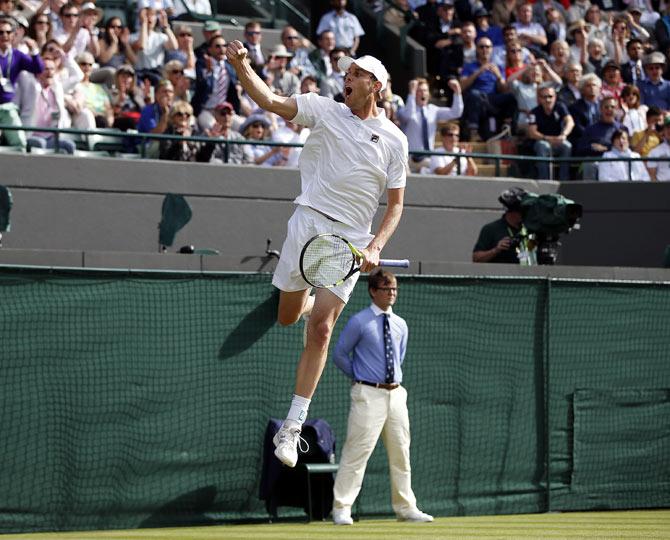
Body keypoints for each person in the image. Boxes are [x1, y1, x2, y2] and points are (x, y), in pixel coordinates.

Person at [226, 41, 408, 468]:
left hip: (351, 239)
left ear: (375, 85)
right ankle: (301, 300)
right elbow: (269, 99)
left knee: (322, 331)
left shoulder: (395, 141)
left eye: (356, 74)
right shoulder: (322, 109)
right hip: (308, 222)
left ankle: (292, 426)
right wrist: (241, 66)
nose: (347, 77)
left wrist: (376, 245)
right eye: (345, 73)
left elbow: (396, 205)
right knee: (288, 316)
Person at [330, 269, 433, 526]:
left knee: (401, 453)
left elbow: (399, 356)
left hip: (396, 395)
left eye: (395, 289)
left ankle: (406, 508)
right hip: (367, 394)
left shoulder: (401, 325)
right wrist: (360, 374)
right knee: (356, 452)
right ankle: (341, 508)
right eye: (387, 289)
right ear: (373, 291)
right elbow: (340, 354)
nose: (392, 294)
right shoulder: (359, 321)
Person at [397, 76, 463, 170]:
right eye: (419, 91)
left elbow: (456, 112)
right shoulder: (404, 110)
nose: (422, 93)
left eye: (425, 90)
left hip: (427, 158)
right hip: (408, 159)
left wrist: (457, 92)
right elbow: (408, 116)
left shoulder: (433, 110)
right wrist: (411, 93)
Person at [0, 16, 43, 148]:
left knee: (20, 144)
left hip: (7, 107)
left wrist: (34, 51)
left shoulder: (17, 55)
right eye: (0, 32)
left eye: (8, 32)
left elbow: (38, 68)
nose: (4, 36)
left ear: (13, 35)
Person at [192, 35, 239, 131]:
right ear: (209, 49)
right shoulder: (202, 63)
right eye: (218, 46)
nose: (222, 49)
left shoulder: (230, 66)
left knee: (242, 126)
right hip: (207, 110)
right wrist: (208, 72)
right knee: (214, 128)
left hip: (225, 111)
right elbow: (200, 87)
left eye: (224, 45)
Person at [527, 84, 574, 180]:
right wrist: (547, 138)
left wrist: (564, 135)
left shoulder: (560, 107)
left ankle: (564, 180)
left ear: (555, 97)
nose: (547, 100)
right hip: (542, 140)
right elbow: (532, 133)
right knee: (543, 146)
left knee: (567, 146)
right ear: (539, 99)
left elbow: (570, 122)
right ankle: (544, 180)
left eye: (550, 96)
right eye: (544, 97)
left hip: (558, 140)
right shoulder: (534, 112)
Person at [472, 187, 529, 264]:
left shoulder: (529, 229)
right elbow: (476, 258)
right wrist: (496, 250)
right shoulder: (491, 229)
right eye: (521, 211)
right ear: (511, 211)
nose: (525, 213)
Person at [575, 95, 622, 179]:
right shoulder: (591, 129)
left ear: (617, 110)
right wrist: (591, 147)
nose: (609, 110)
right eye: (606, 107)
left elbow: (626, 148)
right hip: (596, 161)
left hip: (616, 162)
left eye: (612, 107)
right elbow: (580, 149)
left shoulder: (622, 129)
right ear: (600, 110)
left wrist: (605, 148)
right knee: (588, 164)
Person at [646, 116, 670, 181]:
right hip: (663, 188)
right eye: (668, 127)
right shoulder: (654, 152)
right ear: (664, 130)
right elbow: (652, 178)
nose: (669, 130)